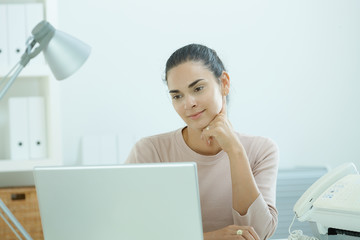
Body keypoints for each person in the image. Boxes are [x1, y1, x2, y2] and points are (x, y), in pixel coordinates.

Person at [125, 43, 279, 240]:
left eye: (198, 88)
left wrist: (234, 151)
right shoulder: (150, 151)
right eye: (177, 96)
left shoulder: (262, 150)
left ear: (224, 83)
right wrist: (208, 238)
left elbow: (259, 233)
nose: (188, 103)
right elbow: (129, 229)